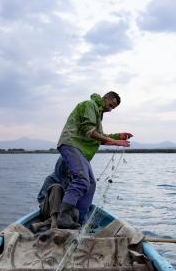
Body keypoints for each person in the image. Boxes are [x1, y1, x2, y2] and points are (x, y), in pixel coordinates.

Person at [53, 91, 132, 229]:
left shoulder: (98, 113)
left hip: (81, 150)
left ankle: (82, 220)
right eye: (110, 105)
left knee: (91, 185)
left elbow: (99, 137)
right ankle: (64, 217)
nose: (110, 109)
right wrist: (114, 142)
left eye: (113, 108)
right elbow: (89, 131)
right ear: (105, 98)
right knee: (82, 180)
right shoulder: (90, 105)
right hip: (71, 144)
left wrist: (118, 136)